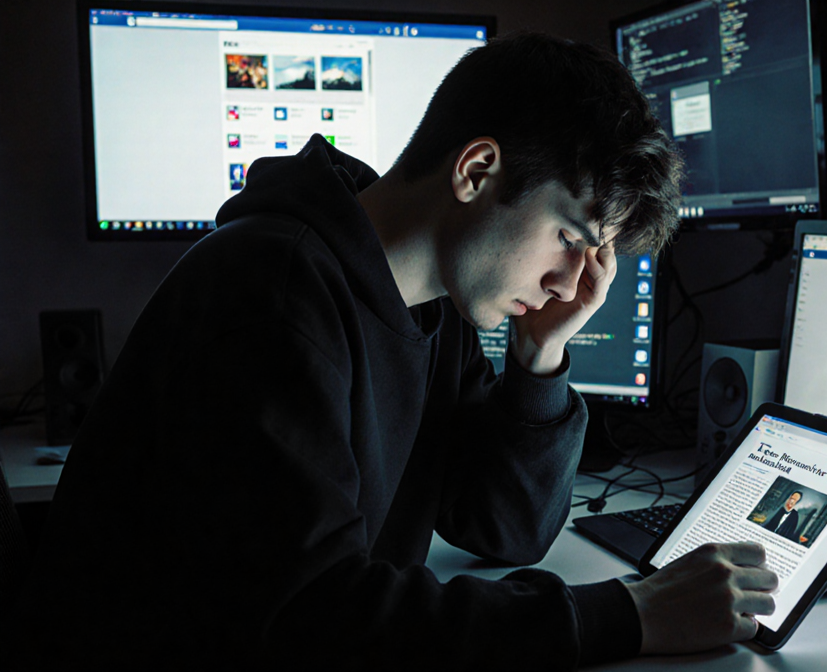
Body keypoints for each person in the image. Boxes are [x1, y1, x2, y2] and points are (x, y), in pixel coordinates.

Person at [2, 33, 777, 670]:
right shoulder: (273, 291)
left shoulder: (428, 302)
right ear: (476, 171)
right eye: (571, 239)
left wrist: (538, 358)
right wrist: (628, 615)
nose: (570, 284)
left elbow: (501, 530)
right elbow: (312, 622)